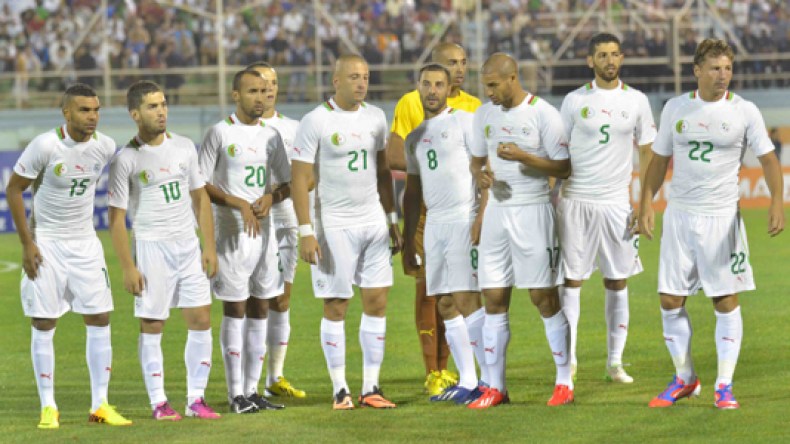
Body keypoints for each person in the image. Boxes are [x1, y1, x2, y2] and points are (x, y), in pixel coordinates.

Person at [639, 39, 784, 409]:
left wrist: (775, 203)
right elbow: (658, 161)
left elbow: (768, 160)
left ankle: (724, 385)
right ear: (697, 71)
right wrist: (645, 203)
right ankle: (685, 378)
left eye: (728, 68)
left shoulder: (744, 111)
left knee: (724, 298)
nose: (723, 76)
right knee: (670, 299)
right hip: (680, 214)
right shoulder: (676, 108)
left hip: (722, 218)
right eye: (716, 68)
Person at [6, 83, 132, 429]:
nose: (92, 117)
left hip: (86, 243)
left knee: (100, 317)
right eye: (84, 110)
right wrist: (27, 243)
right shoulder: (46, 145)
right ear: (67, 112)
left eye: (96, 110)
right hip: (47, 242)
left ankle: (100, 405)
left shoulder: (105, 146)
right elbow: (14, 189)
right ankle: (49, 406)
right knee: (45, 321)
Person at [291, 54, 403, 410]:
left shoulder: (375, 117)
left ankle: (371, 386)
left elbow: (383, 171)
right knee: (337, 304)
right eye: (354, 76)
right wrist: (306, 231)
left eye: (366, 76)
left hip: (372, 221)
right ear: (335, 80)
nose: (361, 82)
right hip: (334, 224)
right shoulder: (316, 121)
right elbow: (298, 179)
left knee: (378, 302)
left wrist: (391, 219)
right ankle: (340, 389)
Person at [108, 80, 221, 421]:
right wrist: (128, 267)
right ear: (135, 114)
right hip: (152, 247)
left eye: (163, 103)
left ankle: (195, 399)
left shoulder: (185, 147)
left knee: (201, 319)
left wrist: (209, 246)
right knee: (153, 324)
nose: (161, 111)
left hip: (188, 245)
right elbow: (116, 218)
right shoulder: (126, 158)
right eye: (153, 106)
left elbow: (200, 197)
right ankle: (159, 403)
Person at [467, 53, 574, 409]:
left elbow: (564, 167)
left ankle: (564, 381)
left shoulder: (543, 113)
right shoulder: (484, 115)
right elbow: (477, 160)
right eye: (486, 87)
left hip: (533, 211)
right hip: (497, 212)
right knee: (493, 299)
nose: (489, 93)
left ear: (512, 78)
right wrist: (480, 181)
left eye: (494, 85)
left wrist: (525, 157)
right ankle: (495, 387)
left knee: (543, 298)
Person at [558, 33, 657, 384]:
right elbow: (559, 153)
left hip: (617, 203)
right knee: (571, 281)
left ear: (622, 57)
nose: (610, 60)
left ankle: (615, 362)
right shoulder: (573, 101)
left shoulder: (637, 101)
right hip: (575, 200)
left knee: (617, 281)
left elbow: (648, 153)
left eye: (615, 54)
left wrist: (645, 202)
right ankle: (567, 362)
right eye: (602, 55)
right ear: (590, 61)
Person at [387, 42, 482, 396]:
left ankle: (488, 379)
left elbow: (487, 167)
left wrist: (482, 213)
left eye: (462, 64)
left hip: (463, 216)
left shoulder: (471, 115)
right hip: (432, 219)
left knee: (468, 297)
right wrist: (408, 235)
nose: (457, 71)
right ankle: (457, 377)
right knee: (438, 298)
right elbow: (409, 187)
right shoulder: (413, 126)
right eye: (429, 83)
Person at [198, 69, 290, 413]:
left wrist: (271, 198)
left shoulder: (272, 136)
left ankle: (253, 391)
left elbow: (286, 182)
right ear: (236, 95)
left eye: (264, 91)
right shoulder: (219, 133)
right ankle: (235, 394)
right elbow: (201, 183)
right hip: (231, 235)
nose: (260, 97)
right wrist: (238, 203)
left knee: (261, 306)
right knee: (235, 308)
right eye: (252, 91)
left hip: (264, 236)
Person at [246, 61, 307, 399]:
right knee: (248, 301)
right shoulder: (232, 130)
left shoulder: (294, 128)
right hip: (248, 224)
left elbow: (307, 178)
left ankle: (275, 377)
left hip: (286, 221)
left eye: (273, 82)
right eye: (260, 83)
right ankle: (247, 383)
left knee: (281, 300)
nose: (268, 89)